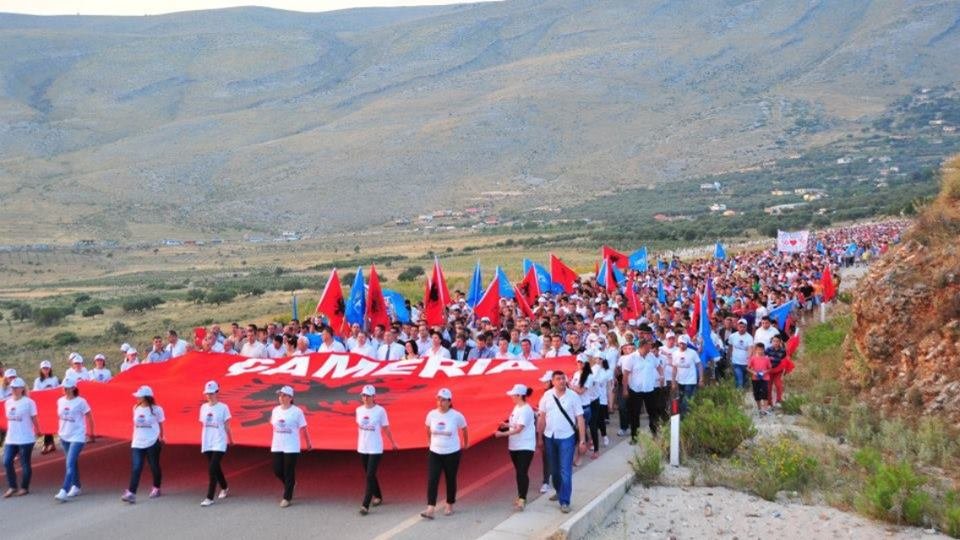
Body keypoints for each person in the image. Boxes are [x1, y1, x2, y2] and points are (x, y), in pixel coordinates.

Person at [537, 371, 586, 514]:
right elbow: (542, 418)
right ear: (552, 381)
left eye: (563, 378)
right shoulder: (546, 396)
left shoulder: (573, 396)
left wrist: (582, 440)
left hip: (567, 437)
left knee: (565, 470)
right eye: (558, 379)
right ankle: (559, 491)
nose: (562, 381)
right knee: (554, 470)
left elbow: (580, 419)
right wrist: (540, 438)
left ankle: (565, 501)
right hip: (549, 437)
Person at [420, 388, 468, 520]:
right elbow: (427, 428)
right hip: (435, 452)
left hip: (452, 452)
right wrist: (429, 441)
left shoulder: (456, 415)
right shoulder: (432, 414)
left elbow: (464, 428)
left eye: (443, 400)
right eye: (438, 399)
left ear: (449, 401)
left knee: (450, 478)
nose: (440, 402)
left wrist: (465, 442)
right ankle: (430, 508)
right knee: (432, 479)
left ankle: (449, 504)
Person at [356, 384, 398, 515]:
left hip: (375, 447)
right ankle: (378, 496)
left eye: (368, 396)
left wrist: (393, 442)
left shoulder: (380, 411)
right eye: (363, 395)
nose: (365, 398)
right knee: (370, 475)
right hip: (363, 447)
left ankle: (365, 505)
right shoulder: (358, 410)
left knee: (369, 475)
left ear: (374, 397)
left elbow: (386, 428)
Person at [494, 384, 536, 511]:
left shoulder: (526, 409)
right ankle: (520, 495)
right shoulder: (517, 407)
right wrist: (506, 424)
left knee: (522, 472)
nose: (511, 397)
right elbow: (515, 423)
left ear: (519, 395)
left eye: (513, 395)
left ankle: (522, 498)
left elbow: (519, 429)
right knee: (519, 472)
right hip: (514, 445)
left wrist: (502, 434)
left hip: (525, 445)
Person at [122, 386, 165, 503]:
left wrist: (161, 436)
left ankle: (156, 487)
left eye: (139, 396)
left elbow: (161, 424)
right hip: (137, 442)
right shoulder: (135, 408)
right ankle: (131, 492)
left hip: (152, 441)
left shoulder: (157, 409)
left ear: (146, 397)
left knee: (154, 466)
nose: (137, 398)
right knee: (136, 467)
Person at [270, 385, 312, 508]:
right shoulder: (275, 410)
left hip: (291, 445)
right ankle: (291, 484)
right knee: (277, 470)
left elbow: (303, 428)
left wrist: (308, 442)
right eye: (280, 395)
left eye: (284, 395)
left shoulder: (297, 411)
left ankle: (287, 497)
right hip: (277, 444)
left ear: (290, 397)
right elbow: (273, 425)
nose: (281, 398)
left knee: (289, 471)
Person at [54, 377, 95, 502]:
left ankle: (64, 490)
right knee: (72, 462)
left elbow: (89, 417)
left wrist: (91, 433)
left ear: (74, 388)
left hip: (77, 436)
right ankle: (76, 486)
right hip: (64, 435)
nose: (65, 390)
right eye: (64, 388)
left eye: (68, 388)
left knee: (69, 463)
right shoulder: (60, 401)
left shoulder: (81, 402)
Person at [3, 378, 39, 497]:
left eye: (16, 387)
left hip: (25, 438)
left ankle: (24, 487)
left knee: (24, 463)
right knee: (7, 461)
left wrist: (38, 430)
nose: (13, 389)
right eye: (12, 387)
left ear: (22, 389)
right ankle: (12, 486)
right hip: (11, 438)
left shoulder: (29, 402)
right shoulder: (8, 402)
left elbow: (34, 418)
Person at [199, 381, 233, 507]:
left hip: (219, 441)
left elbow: (227, 426)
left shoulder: (223, 407)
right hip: (207, 441)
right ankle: (224, 486)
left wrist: (230, 439)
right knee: (216, 467)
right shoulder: (203, 407)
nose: (209, 395)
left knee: (212, 468)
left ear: (217, 392)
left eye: (211, 393)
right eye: (207, 393)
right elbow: (203, 425)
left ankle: (209, 497)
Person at [33, 360, 60, 454]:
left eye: (47, 368)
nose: (46, 370)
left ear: (50, 369)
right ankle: (49, 443)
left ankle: (48, 444)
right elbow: (36, 393)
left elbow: (58, 390)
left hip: (53, 405)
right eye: (44, 368)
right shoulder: (37, 381)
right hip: (43, 406)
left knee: (51, 423)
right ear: (41, 369)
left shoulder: (55, 379)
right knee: (46, 423)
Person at [672, 336, 703, 415]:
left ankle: (683, 417)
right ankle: (686, 415)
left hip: (690, 380)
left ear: (687, 344)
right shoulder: (675, 353)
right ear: (678, 343)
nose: (682, 345)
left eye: (684, 344)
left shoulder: (692, 352)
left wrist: (701, 378)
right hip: (680, 380)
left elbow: (699, 365)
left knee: (686, 399)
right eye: (680, 344)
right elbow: (674, 368)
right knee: (681, 399)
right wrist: (673, 382)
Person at [727, 319, 754, 389]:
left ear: (746, 327)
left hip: (745, 362)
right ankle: (739, 392)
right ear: (737, 326)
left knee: (744, 379)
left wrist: (749, 360)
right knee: (739, 379)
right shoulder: (732, 336)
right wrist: (728, 357)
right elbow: (730, 347)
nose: (742, 328)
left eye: (744, 327)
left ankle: (743, 394)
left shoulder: (749, 337)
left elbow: (750, 349)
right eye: (740, 326)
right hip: (735, 361)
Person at [747, 344, 772, 414]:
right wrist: (753, 372)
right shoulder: (752, 358)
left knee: (765, 392)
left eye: (762, 349)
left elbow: (770, 368)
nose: (760, 351)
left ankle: (765, 409)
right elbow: (748, 368)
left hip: (765, 378)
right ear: (756, 350)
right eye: (758, 349)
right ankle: (759, 408)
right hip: (755, 378)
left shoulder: (767, 358)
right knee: (756, 393)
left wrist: (765, 372)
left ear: (764, 350)